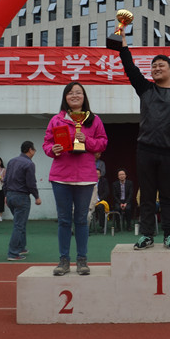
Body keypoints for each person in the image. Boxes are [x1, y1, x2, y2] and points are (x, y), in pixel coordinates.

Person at [116, 34, 170, 251]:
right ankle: (147, 235)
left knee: (168, 195)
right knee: (147, 195)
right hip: (145, 150)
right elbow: (130, 68)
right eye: (153, 66)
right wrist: (123, 48)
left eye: (161, 65)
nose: (157, 68)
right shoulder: (145, 89)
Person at [43, 82, 108, 275]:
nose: (74, 95)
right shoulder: (56, 120)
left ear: (84, 97)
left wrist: (86, 140)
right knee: (64, 220)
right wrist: (52, 149)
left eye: (78, 92)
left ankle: (82, 260)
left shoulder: (94, 120)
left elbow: (103, 143)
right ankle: (63, 260)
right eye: (70, 93)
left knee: (81, 219)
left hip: (85, 177)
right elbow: (47, 143)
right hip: (61, 176)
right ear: (65, 97)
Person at [4, 141, 41, 261]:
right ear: (30, 150)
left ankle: (21, 247)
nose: (34, 152)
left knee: (20, 222)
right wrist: (36, 196)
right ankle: (13, 253)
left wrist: (6, 194)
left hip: (10, 195)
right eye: (34, 149)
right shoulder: (29, 164)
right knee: (19, 225)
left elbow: (6, 179)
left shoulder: (11, 161)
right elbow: (31, 183)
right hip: (21, 196)